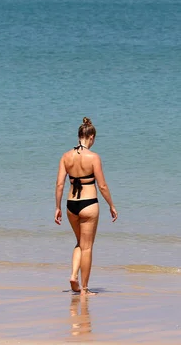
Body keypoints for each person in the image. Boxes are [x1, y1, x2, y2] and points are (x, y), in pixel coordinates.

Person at [54, 117, 118, 296]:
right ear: (90, 138)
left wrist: (57, 207)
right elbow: (102, 186)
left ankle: (74, 275)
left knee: (79, 243)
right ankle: (84, 288)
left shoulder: (66, 157)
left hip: (71, 205)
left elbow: (59, 184)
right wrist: (111, 205)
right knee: (87, 247)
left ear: (78, 136)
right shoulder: (93, 157)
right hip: (89, 204)